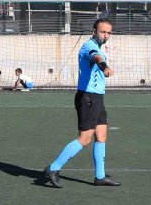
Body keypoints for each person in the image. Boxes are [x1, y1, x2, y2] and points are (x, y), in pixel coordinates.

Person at [43, 18, 118, 187]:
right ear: (94, 31)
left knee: (102, 135)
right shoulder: (89, 46)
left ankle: (100, 177)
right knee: (85, 139)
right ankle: (53, 168)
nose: (105, 35)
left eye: (108, 32)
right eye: (102, 32)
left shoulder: (98, 46)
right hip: (88, 98)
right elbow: (96, 58)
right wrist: (104, 66)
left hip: (97, 97)